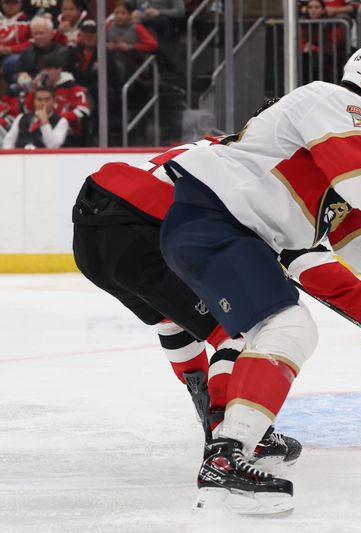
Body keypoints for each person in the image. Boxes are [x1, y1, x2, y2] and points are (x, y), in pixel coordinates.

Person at [158, 45, 361, 514]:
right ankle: (227, 455)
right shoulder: (329, 100)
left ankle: (229, 452)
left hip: (220, 231)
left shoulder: (327, 160)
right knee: (288, 328)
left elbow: (359, 238)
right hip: (214, 223)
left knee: (280, 330)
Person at [72, 136, 303, 474]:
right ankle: (226, 436)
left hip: (91, 235)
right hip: (139, 232)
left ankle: (205, 400)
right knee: (237, 328)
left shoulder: (220, 142)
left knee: (173, 315)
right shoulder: (259, 163)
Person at [23, 53, 90, 141]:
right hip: (41, 127)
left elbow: (83, 110)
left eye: (49, 69)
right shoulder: (39, 87)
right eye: (43, 70)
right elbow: (28, 109)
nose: (45, 73)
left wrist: (58, 118)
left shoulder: (71, 87)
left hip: (67, 130)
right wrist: (32, 90)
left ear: (59, 69)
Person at [2, 84, 67, 148]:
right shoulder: (21, 117)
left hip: (44, 157)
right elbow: (8, 142)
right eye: (39, 99)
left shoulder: (62, 122)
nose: (43, 103)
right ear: (34, 101)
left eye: (47, 100)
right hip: (20, 156)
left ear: (54, 101)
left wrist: (45, 123)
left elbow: (53, 146)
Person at [15, 15, 64, 93]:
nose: (38, 37)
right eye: (35, 34)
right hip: (29, 87)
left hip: (54, 87)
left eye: (41, 33)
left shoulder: (62, 52)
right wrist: (20, 76)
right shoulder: (27, 52)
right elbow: (17, 73)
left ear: (51, 34)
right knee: (13, 89)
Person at [0, 0, 31, 85]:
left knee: (12, 62)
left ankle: (11, 92)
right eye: (7, 3)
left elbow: (32, 43)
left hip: (15, 55)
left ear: (20, 4)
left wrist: (11, 49)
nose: (10, 6)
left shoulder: (28, 22)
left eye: (14, 3)